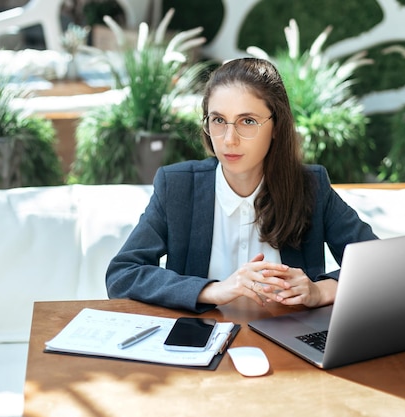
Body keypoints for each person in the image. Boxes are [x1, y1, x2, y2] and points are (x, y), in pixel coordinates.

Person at [106, 58, 377, 313]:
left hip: (289, 346)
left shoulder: (311, 186)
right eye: (218, 120)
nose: (228, 139)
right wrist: (212, 290)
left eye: (247, 121)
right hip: (198, 345)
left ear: (276, 127)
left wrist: (320, 291)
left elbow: (377, 266)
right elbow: (123, 274)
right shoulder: (177, 186)